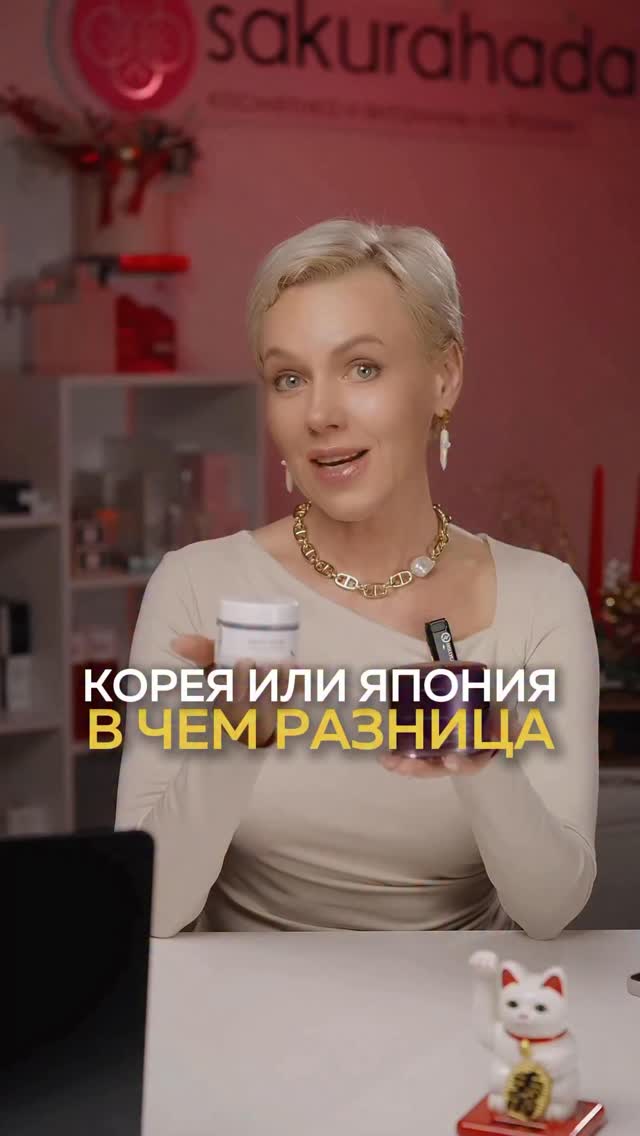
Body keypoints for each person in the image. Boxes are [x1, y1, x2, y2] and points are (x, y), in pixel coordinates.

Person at [114, 218, 600, 940]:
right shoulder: (198, 588)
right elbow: (145, 909)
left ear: (444, 377)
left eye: (363, 368)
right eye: (289, 379)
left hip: (459, 1002)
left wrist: (483, 761)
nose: (320, 414)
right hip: (246, 1007)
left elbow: (551, 908)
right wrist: (236, 742)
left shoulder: (540, 598)